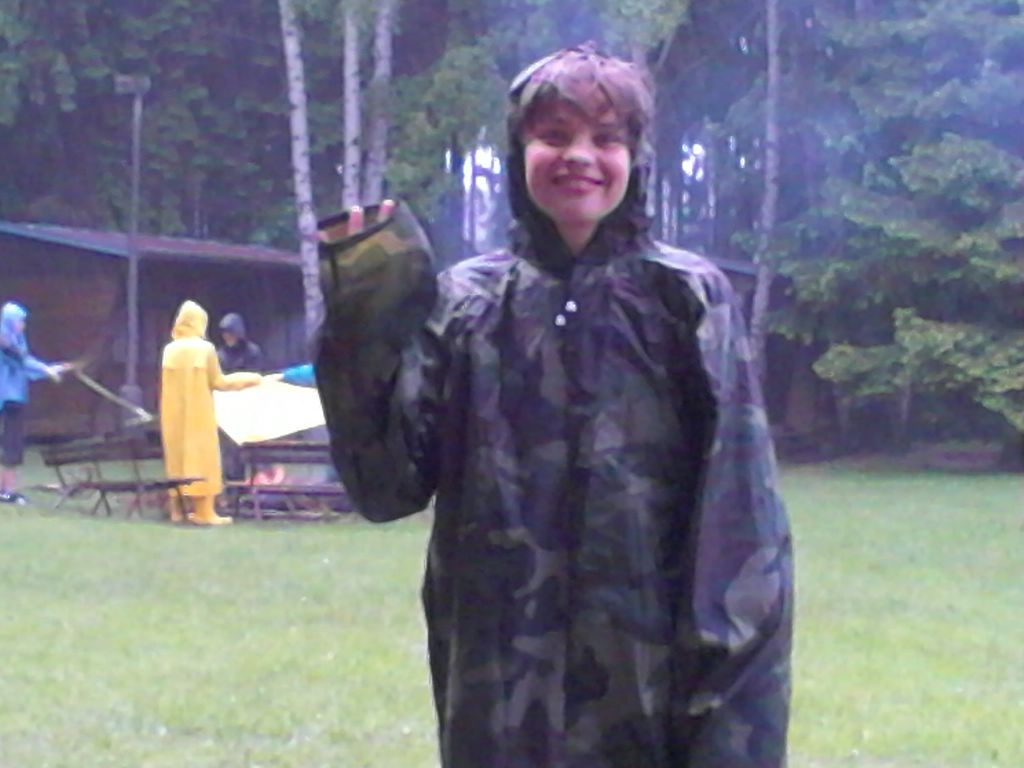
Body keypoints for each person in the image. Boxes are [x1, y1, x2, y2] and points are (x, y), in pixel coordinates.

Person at [315, 44, 793, 767]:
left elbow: (742, 532)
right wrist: (365, 314)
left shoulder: (686, 302)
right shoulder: (466, 306)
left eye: (606, 138)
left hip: (651, 702)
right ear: (520, 153)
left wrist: (731, 733)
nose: (580, 157)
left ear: (635, 158)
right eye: (555, 136)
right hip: (498, 706)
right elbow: (386, 486)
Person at [160, 300, 262, 525]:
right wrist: (252, 379)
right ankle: (204, 512)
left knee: (177, 458)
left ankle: (177, 510)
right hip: (199, 415)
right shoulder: (204, 349)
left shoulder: (169, 350)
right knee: (202, 459)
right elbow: (220, 382)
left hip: (172, 416)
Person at [0, 302, 66, 505]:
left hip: (14, 399)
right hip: (7, 401)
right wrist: (47, 370)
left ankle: (5, 490)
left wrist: (49, 370)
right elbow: (21, 362)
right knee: (11, 446)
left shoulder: (15, 341)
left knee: (12, 446)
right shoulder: (5, 342)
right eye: (20, 321)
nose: (23, 325)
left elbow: (26, 365)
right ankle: (7, 492)